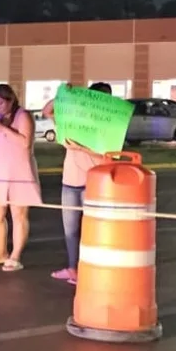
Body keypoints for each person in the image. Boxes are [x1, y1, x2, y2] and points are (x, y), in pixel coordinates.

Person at [42, 82, 114, 285]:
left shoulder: (110, 124)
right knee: (71, 231)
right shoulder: (76, 120)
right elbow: (47, 111)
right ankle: (73, 268)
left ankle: (93, 271)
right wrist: (65, 95)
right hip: (70, 183)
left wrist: (82, 149)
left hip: (94, 183)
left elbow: (110, 155)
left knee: (94, 231)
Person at [0, 83, 42, 272]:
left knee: (18, 215)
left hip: (19, 173)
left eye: (0, 103)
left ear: (11, 99)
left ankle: (15, 255)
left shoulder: (23, 116)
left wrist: (1, 127)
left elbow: (25, 143)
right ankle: (1, 251)